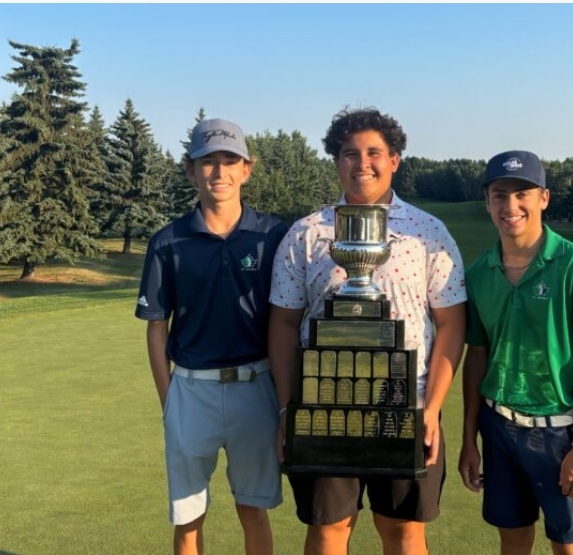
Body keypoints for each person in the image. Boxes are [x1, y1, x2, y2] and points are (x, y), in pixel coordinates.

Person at [268, 107, 467, 555]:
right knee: (328, 529)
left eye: (374, 152)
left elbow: (452, 324)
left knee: (404, 532)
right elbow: (282, 324)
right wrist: (288, 411)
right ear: (336, 162)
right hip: (324, 409)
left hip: (406, 405)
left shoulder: (428, 232)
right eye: (349, 153)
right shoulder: (307, 234)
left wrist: (431, 409)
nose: (362, 163)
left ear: (395, 159)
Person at [135, 118, 288, 555]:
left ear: (247, 169)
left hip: (255, 386)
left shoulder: (273, 235)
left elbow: (286, 319)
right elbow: (156, 325)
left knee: (252, 510)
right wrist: (169, 399)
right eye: (207, 163)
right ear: (190, 170)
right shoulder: (167, 241)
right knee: (188, 518)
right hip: (191, 390)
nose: (218, 173)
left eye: (229, 161)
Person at [457, 150, 573, 555]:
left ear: (543, 198)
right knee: (512, 542)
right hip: (498, 428)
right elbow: (476, 357)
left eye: (521, 193)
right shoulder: (478, 273)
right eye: (499, 195)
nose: (510, 206)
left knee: (569, 547)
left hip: (560, 432)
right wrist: (468, 440)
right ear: (488, 202)